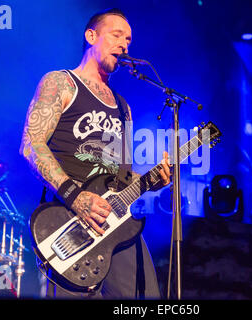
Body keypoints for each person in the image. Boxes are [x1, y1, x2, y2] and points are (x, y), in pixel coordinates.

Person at [19, 8, 171, 299]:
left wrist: (153, 180)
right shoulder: (61, 83)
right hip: (70, 219)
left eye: (128, 39)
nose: (124, 45)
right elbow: (31, 143)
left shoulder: (122, 106)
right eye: (116, 35)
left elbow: (123, 174)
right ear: (91, 36)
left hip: (117, 224)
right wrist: (76, 197)